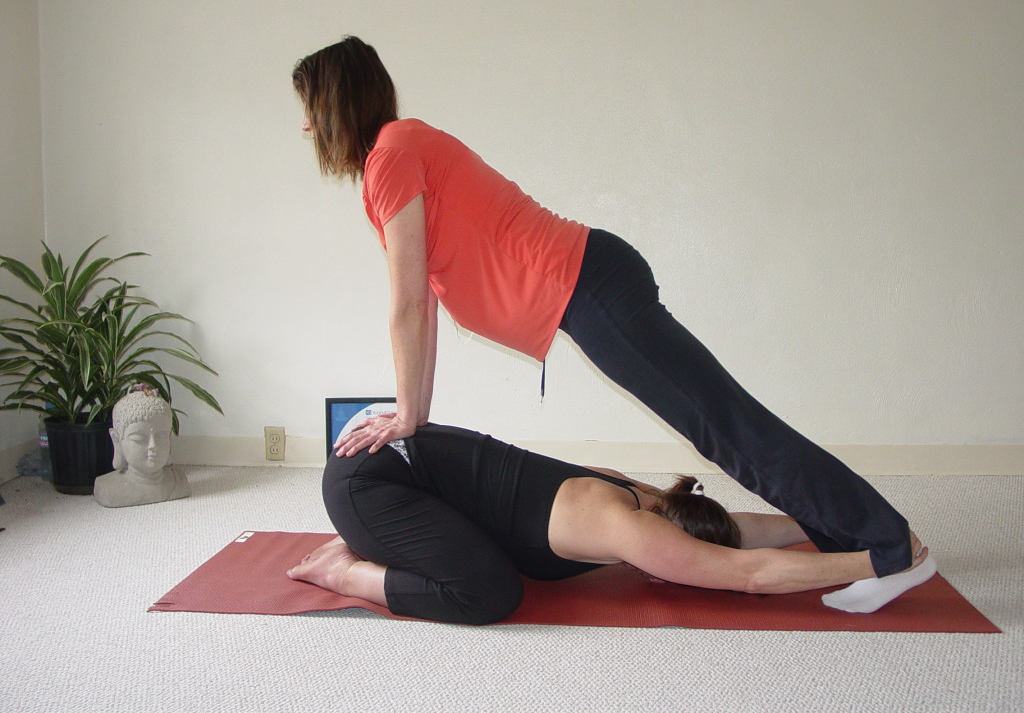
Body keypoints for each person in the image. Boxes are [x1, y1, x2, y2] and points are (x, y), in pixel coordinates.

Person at [292, 36, 929, 612]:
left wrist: (407, 416)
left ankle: (886, 547)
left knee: (727, 427)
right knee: (724, 426)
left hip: (590, 286)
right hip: (592, 284)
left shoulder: (392, 154)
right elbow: (423, 304)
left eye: (310, 109)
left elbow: (407, 302)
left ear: (335, 104)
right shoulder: (401, 149)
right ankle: (855, 535)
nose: (306, 126)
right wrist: (415, 415)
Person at [287, 424, 933, 625]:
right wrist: (875, 561)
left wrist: (825, 522)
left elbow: (739, 532)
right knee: (490, 594)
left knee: (490, 551)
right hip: (367, 480)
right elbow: (750, 572)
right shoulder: (630, 530)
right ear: (669, 541)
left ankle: (381, 534)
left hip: (398, 471)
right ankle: (346, 567)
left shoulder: (648, 497)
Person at [93, 384, 191, 508]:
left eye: (161, 436)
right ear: (117, 440)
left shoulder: (179, 482)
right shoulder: (108, 488)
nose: (153, 445)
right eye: (139, 438)